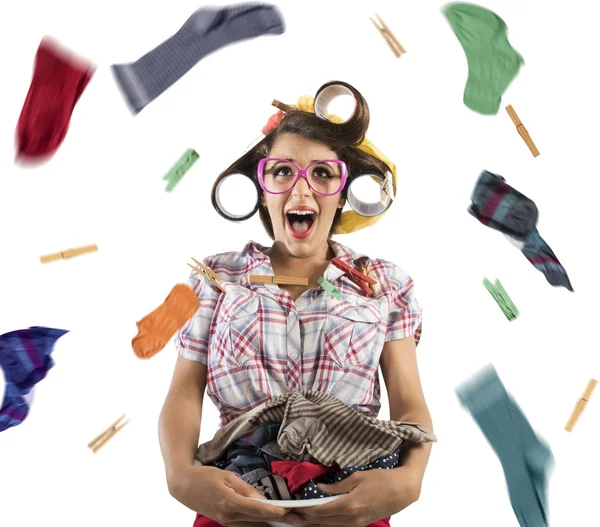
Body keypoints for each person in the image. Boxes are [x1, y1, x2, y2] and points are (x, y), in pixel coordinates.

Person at [158, 81, 434, 527]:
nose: (301, 191)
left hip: (351, 500)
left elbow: (410, 405)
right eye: (282, 172)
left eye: (323, 174)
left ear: (342, 194)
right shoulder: (214, 278)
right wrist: (180, 474)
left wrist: (409, 481)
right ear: (262, 187)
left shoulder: (384, 285)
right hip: (236, 498)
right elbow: (183, 393)